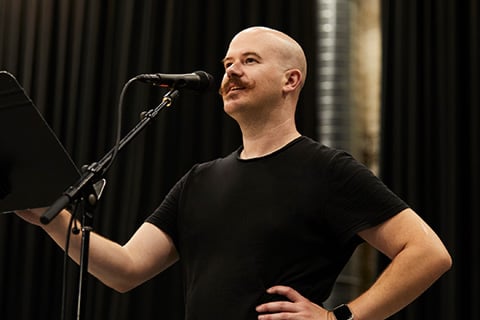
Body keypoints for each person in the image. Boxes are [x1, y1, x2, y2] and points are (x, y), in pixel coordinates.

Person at [16, 26, 452, 320]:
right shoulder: (200, 179)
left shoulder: (326, 170)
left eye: (249, 61)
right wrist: (52, 222)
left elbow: (428, 253)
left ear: (290, 80)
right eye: (227, 64)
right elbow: (127, 269)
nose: (230, 72)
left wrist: (341, 318)